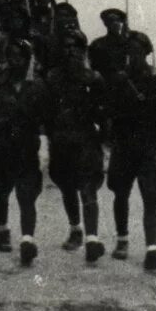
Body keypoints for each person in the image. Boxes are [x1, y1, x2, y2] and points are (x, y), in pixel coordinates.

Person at [104, 31, 156, 270]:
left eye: (138, 50)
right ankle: (122, 240)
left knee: (151, 195)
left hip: (148, 143)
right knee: (120, 192)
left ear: (146, 52)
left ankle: (152, 249)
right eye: (129, 50)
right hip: (123, 142)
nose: (133, 55)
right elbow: (109, 112)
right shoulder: (118, 78)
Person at [44, 30, 109, 263]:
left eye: (76, 47)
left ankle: (92, 239)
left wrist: (105, 142)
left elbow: (104, 112)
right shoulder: (53, 77)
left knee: (88, 188)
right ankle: (75, 230)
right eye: (67, 46)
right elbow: (47, 109)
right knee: (67, 187)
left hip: (86, 139)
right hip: (61, 139)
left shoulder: (94, 78)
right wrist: (47, 138)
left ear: (83, 50)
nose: (71, 51)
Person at [0, 39, 49, 265]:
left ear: (28, 59)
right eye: (10, 56)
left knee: (26, 194)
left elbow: (43, 118)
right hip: (3, 146)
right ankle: (3, 230)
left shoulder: (37, 86)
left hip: (28, 147)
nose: (15, 61)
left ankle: (27, 240)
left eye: (20, 56)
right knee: (1, 192)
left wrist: (43, 145)